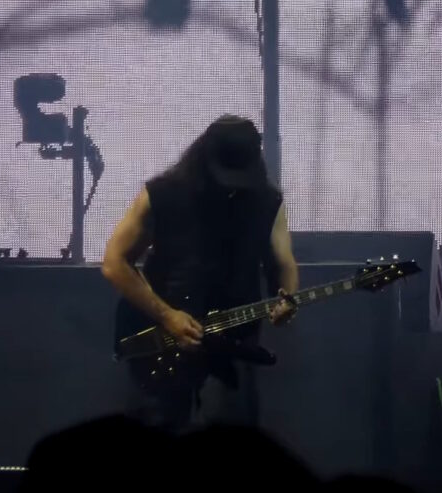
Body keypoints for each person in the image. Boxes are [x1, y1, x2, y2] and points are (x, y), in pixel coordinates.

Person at [101, 115, 299, 432]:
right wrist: (167, 315)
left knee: (232, 435)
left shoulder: (267, 200)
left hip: (233, 340)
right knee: (157, 432)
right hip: (162, 338)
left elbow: (283, 262)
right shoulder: (162, 193)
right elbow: (114, 262)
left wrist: (288, 297)